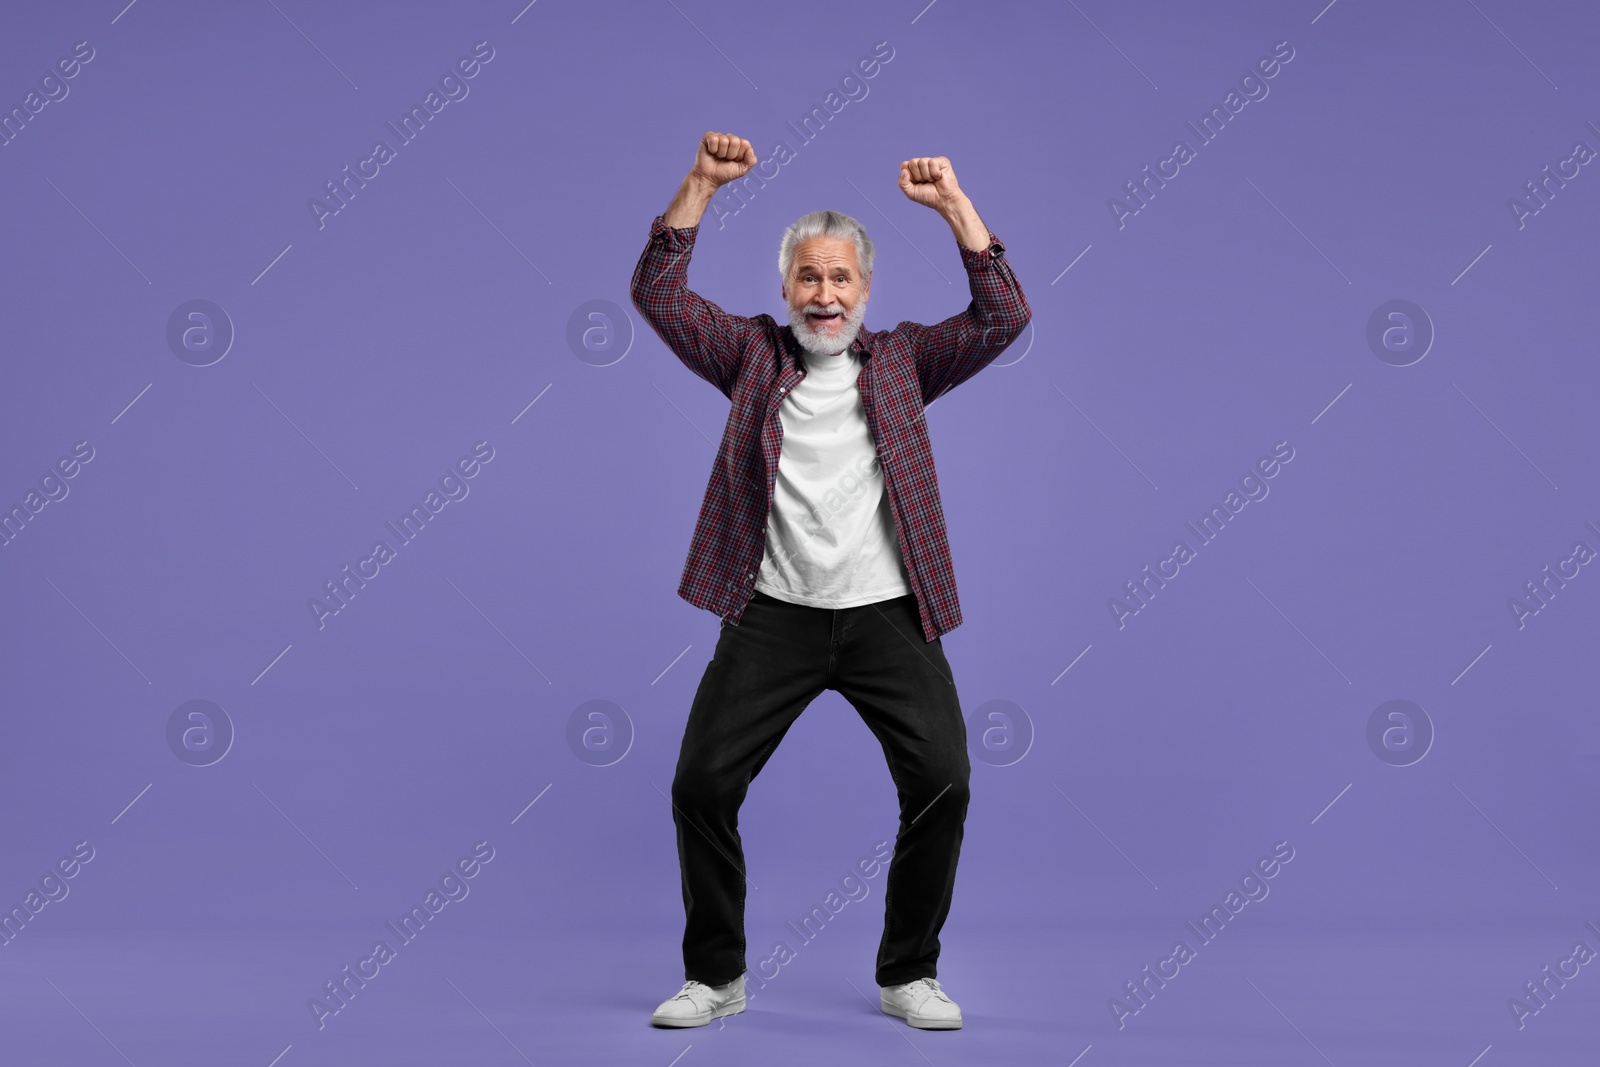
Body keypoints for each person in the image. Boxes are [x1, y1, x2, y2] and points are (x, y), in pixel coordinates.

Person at [631, 132, 1031, 1031]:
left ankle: (908, 973)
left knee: (944, 780)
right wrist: (700, 183)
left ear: (865, 289)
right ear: (784, 288)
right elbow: (656, 293)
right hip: (773, 614)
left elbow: (1004, 318)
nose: (824, 295)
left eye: (841, 279)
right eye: (808, 278)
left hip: (890, 613)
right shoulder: (749, 358)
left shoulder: (902, 363)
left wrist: (957, 209)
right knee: (701, 784)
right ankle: (716, 975)